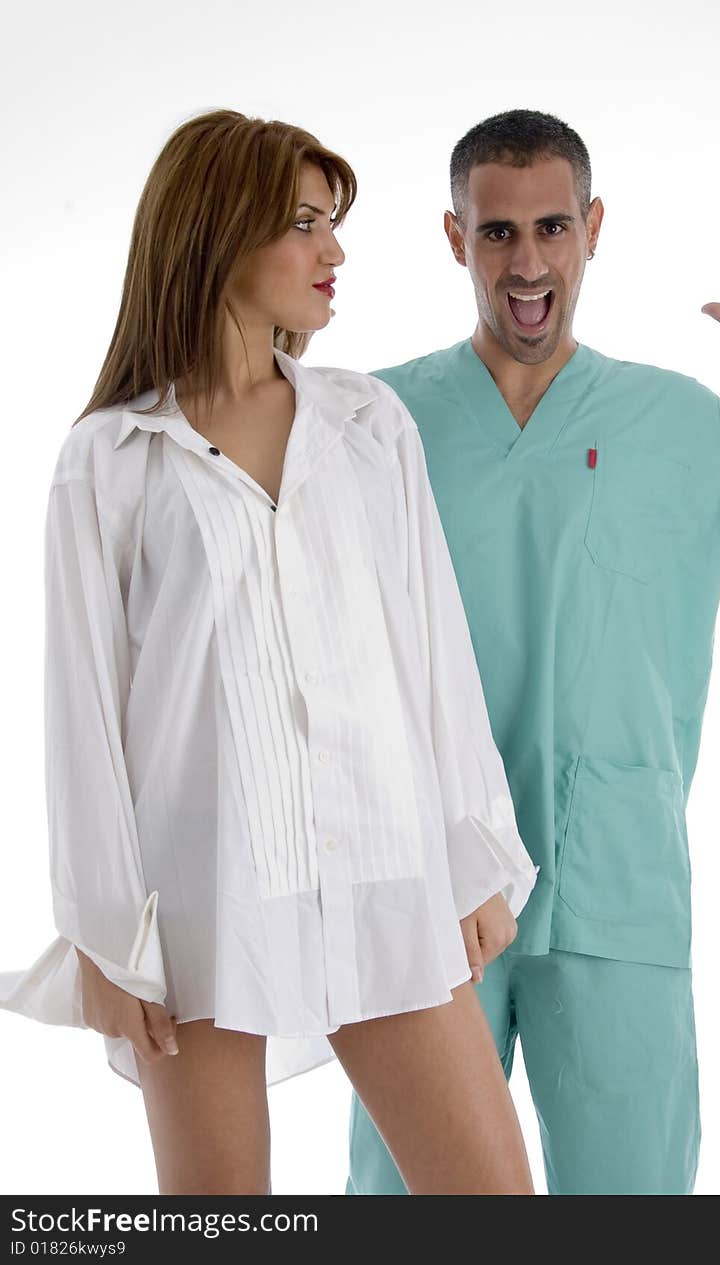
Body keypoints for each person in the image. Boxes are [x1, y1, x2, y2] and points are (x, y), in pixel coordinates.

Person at [0, 108, 541, 1196]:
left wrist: (474, 845)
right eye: (303, 222)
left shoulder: (368, 425)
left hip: (388, 867)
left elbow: (431, 647)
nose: (334, 251)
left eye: (333, 222)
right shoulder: (108, 460)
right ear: (213, 234)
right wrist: (108, 935)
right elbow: (83, 716)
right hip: (203, 902)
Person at [346, 108, 720, 1196]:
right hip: (426, 901)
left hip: (615, 892)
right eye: (496, 234)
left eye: (550, 228)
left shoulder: (674, 422)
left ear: (591, 228)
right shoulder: (375, 421)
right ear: (454, 238)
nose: (526, 262)